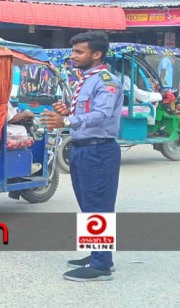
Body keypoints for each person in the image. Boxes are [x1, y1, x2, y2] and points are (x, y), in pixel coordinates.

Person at [41, 31, 123, 282]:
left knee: (98, 206)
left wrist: (66, 119)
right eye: (73, 51)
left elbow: (102, 115)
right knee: (89, 205)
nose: (73, 56)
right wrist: (67, 111)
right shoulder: (86, 79)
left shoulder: (106, 80)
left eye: (79, 52)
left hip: (99, 150)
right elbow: (86, 112)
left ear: (96, 54)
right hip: (82, 148)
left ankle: (101, 266)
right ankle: (97, 254)